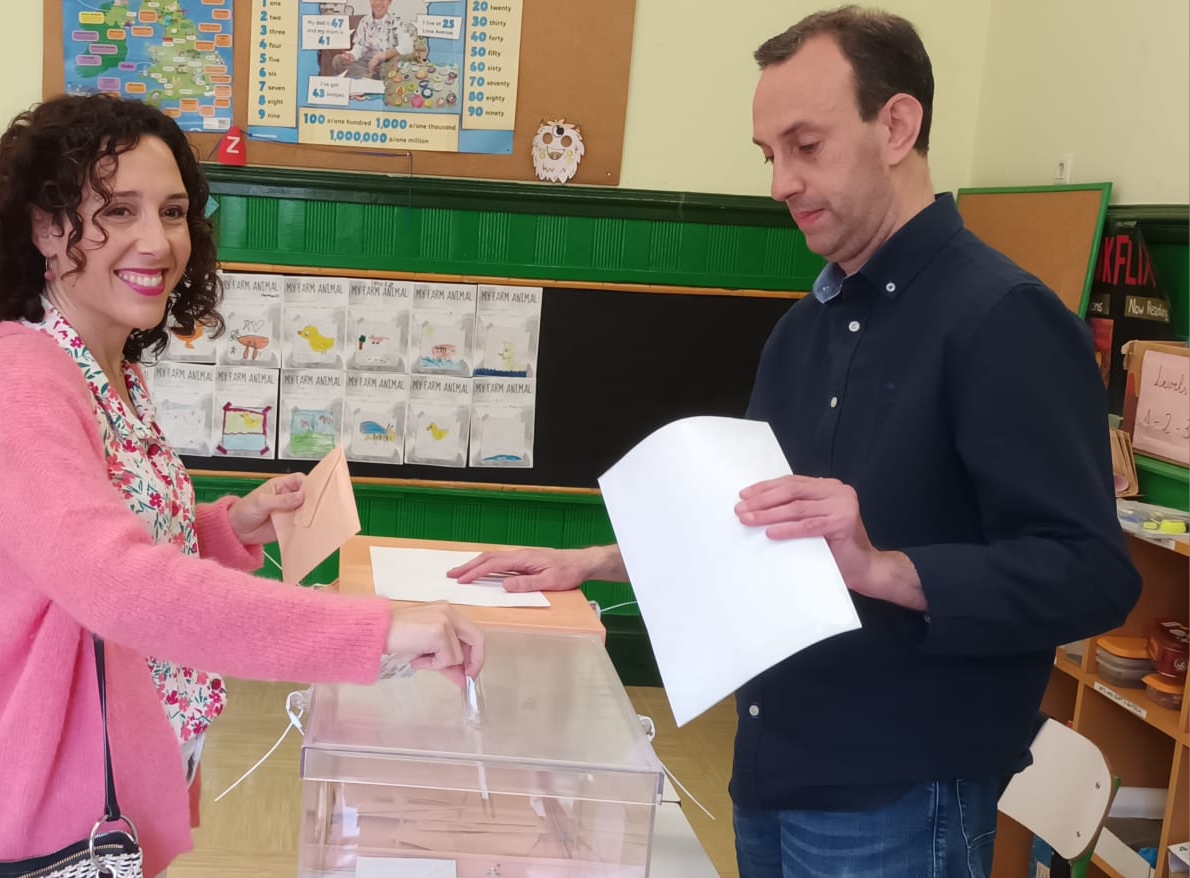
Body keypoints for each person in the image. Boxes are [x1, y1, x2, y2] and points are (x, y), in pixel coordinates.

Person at [451, 7, 1141, 876]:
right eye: (767, 154)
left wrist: (882, 567)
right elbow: (752, 527)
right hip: (772, 761)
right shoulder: (804, 328)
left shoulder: (1002, 319)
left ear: (895, 125)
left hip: (899, 790)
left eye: (804, 145)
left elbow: (1089, 573)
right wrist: (592, 562)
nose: (779, 181)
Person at [0, 93, 483, 877]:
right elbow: (114, 584)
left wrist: (230, 528)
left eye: (171, 212)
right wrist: (372, 634)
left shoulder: (110, 368)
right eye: (116, 211)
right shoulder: (18, 379)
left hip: (129, 755)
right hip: (45, 797)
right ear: (43, 227)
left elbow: (111, 532)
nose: (155, 240)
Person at [331, 0, 414, 80]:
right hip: (366, 63)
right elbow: (359, 47)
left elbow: (407, 46)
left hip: (386, 62)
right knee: (338, 60)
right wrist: (351, 56)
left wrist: (380, 56)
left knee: (394, 66)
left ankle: (366, 78)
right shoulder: (364, 21)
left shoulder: (397, 21)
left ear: (390, 1)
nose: (378, 3)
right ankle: (369, 77)